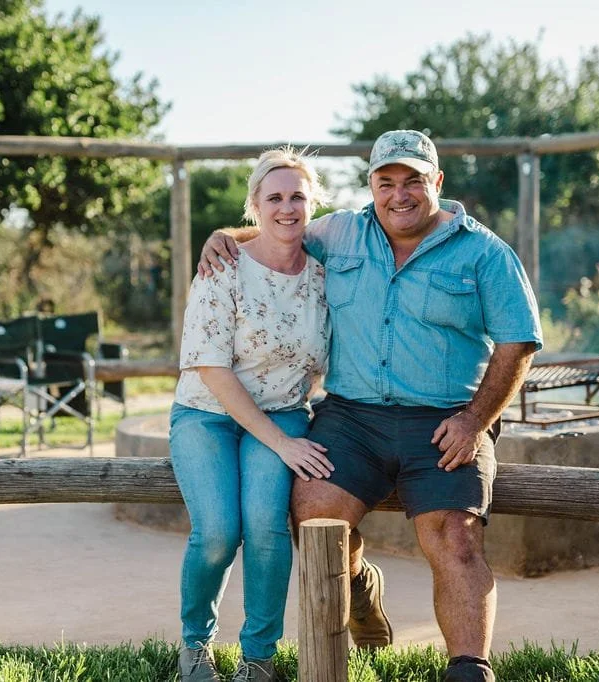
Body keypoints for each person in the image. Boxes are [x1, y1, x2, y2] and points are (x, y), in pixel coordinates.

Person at [199, 130, 542, 682]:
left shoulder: (485, 252)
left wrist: (476, 420)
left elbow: (518, 342)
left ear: (437, 182)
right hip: (353, 418)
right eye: (387, 183)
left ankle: (468, 669)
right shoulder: (341, 232)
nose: (399, 195)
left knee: (454, 533)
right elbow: (280, 228)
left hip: (446, 420)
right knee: (314, 518)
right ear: (371, 186)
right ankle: (358, 591)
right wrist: (223, 234)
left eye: (412, 181)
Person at [171, 146, 334, 682]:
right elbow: (212, 369)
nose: (287, 208)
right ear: (255, 207)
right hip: (206, 414)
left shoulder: (325, 277)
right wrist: (282, 444)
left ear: (313, 205)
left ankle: (259, 659)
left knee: (266, 526)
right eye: (275, 197)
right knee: (218, 530)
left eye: (297, 197)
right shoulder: (221, 267)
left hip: (284, 411)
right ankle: (195, 646)